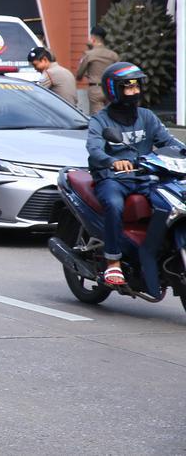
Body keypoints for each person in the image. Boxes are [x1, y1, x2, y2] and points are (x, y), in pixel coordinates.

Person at [87, 62, 186, 287]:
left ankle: (161, 249)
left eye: (136, 87)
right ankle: (113, 261)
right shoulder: (100, 120)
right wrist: (113, 162)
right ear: (113, 90)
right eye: (127, 88)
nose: (134, 92)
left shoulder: (147, 116)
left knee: (172, 202)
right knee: (113, 205)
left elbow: (167, 141)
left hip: (146, 176)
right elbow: (94, 149)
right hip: (114, 179)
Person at [76, 25, 120, 115]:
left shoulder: (89, 54)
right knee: (111, 115)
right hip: (110, 89)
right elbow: (119, 72)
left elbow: (79, 74)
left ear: (93, 39)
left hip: (95, 89)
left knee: (98, 118)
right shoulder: (113, 55)